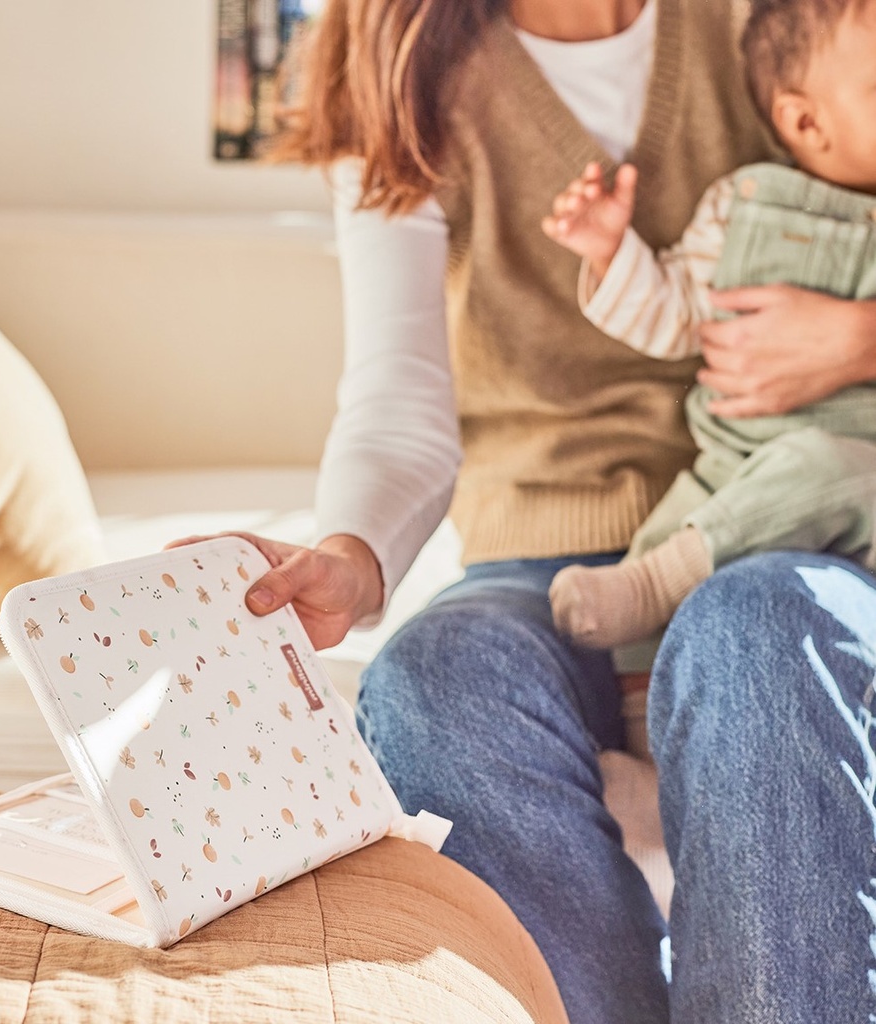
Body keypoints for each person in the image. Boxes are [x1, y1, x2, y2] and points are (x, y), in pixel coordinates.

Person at [170, 1, 876, 1020]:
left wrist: (861, 337)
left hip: (787, 524)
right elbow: (398, 397)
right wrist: (353, 559)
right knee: (430, 679)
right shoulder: (399, 70)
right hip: (542, 554)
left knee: (756, 627)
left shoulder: (782, 20)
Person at [542, 0, 876, 652]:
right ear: (805, 121)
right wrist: (611, 255)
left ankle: (658, 583)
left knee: (826, 466)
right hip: (732, 469)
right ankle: (641, 706)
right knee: (641, 583)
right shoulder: (742, 207)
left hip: (860, 484)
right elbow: (675, 316)